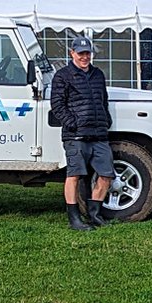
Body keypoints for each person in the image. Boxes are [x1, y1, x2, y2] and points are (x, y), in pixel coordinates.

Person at [49, 35, 114, 231]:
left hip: (99, 134)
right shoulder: (62, 76)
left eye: (88, 53)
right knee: (74, 175)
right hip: (75, 136)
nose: (85, 57)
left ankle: (94, 214)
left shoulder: (98, 75)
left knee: (107, 174)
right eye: (81, 53)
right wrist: (72, 123)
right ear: (72, 53)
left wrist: (106, 119)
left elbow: (104, 99)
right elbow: (57, 105)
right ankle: (74, 219)